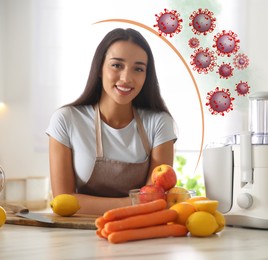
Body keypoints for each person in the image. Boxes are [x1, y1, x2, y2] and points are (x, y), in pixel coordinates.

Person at [46, 28, 177, 215]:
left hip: (138, 233)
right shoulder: (66, 120)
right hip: (77, 236)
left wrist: (85, 203)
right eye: (117, 65)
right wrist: (134, 202)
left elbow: (153, 200)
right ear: (100, 68)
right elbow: (62, 200)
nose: (126, 78)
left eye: (138, 69)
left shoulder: (159, 123)